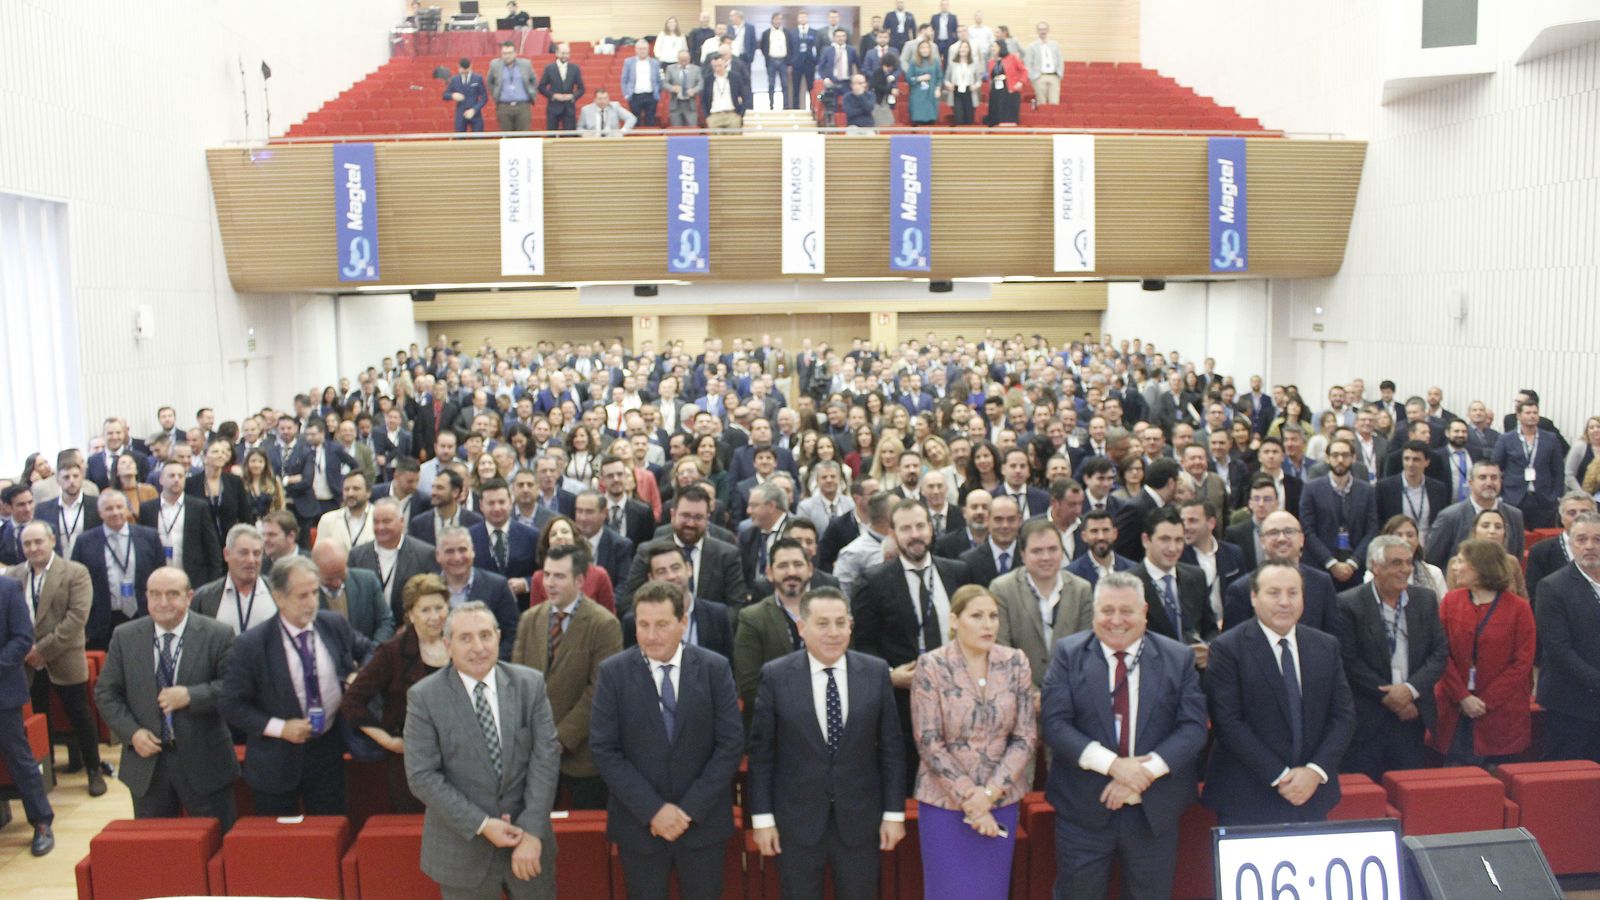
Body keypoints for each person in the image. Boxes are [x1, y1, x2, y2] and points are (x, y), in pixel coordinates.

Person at [1041, 571, 1208, 900]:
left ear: (1144, 611)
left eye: (1127, 611)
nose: (1116, 620)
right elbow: (1055, 725)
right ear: (1094, 613)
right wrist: (1115, 767)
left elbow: (1192, 728)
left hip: (1153, 813)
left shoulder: (1178, 657)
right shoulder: (1068, 654)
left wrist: (1142, 773)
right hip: (1083, 812)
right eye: (1107, 611)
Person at [748, 587, 906, 900]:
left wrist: (893, 814)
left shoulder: (875, 672)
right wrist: (762, 819)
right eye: (822, 624)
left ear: (850, 625)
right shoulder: (776, 676)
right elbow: (762, 755)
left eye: (840, 622)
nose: (833, 632)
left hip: (861, 820)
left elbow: (892, 750)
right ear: (802, 627)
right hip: (796, 823)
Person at [590, 579, 744, 899]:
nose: (651, 634)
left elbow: (730, 744)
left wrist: (687, 811)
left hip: (702, 823)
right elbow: (605, 749)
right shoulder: (612, 673)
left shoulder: (715, 669)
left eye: (661, 624)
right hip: (640, 825)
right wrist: (654, 810)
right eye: (643, 625)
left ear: (683, 623)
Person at [405, 601, 561, 899]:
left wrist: (531, 831)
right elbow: (422, 776)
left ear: (499, 638)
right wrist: (482, 824)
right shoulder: (424, 698)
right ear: (448, 645)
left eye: (485, 635)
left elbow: (546, 760)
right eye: (465, 638)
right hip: (462, 850)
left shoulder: (530, 685)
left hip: (528, 844)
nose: (478, 647)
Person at [219, 555, 374, 815]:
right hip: (276, 761)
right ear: (279, 598)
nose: (312, 602)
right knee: (284, 847)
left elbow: (373, 652)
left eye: (315, 592)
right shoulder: (253, 644)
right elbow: (231, 704)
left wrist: (360, 679)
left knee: (330, 833)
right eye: (303, 596)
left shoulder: (333, 625)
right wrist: (280, 728)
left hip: (327, 752)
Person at [1203, 563, 1356, 825]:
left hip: (1313, 793)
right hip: (1247, 796)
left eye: (1293, 593)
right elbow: (1228, 723)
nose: (1284, 602)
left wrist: (1314, 772)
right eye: (1274, 593)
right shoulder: (1227, 649)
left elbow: (1343, 717)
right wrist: (1282, 776)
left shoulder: (1325, 646)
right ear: (1254, 597)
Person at [912, 584, 1035, 898]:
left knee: (990, 891)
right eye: (977, 616)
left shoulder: (1016, 662)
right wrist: (971, 799)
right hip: (945, 804)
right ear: (954, 620)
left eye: (993, 616)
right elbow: (928, 741)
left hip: (1001, 802)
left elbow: (1025, 736)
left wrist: (990, 795)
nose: (988, 624)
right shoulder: (932, 666)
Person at [95, 565, 239, 829]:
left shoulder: (218, 634)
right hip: (148, 765)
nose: (163, 602)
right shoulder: (125, 636)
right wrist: (133, 733)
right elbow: (106, 693)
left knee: (218, 843)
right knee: (159, 853)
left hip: (205, 762)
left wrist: (192, 696)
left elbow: (234, 688)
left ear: (189, 597)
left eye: (172, 594)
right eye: (155, 594)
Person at [510, 543, 622, 809]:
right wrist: (533, 738)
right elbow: (515, 683)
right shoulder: (529, 619)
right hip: (534, 753)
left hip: (582, 759)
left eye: (559, 576)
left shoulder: (604, 624)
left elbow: (600, 691)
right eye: (546, 575)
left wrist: (559, 740)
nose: (549, 583)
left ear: (580, 580)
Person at [1335, 535, 1448, 780]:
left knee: (1410, 793)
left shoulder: (1425, 600)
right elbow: (1348, 660)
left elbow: (1439, 652)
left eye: (1408, 563)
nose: (1406, 570)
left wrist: (1409, 690)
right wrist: (1388, 696)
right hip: (1368, 718)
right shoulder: (1349, 604)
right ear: (1375, 567)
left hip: (1413, 715)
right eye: (1397, 563)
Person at [341, 572, 449, 813]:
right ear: (410, 614)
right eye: (425, 610)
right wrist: (387, 741)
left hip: (459, 758)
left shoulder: (459, 642)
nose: (434, 617)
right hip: (412, 762)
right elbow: (352, 701)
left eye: (439, 608)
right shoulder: (392, 651)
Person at [8, 522, 103, 792]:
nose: (33, 548)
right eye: (27, 544)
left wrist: (43, 650)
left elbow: (76, 618)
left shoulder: (74, 572)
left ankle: (94, 769)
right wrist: (26, 650)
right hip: (26, 660)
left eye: (38, 541)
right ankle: (46, 774)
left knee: (79, 714)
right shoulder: (14, 575)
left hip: (63, 655)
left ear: (52, 540)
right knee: (39, 716)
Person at [1433, 539, 1536, 766]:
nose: (1455, 567)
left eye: (1462, 562)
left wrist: (1485, 702)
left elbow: (1523, 661)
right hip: (1454, 709)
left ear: (1481, 567)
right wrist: (1462, 696)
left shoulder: (1519, 608)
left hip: (1501, 714)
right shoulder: (1450, 601)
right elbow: (1439, 652)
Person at [993, 518, 1094, 688]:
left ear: (1062, 552)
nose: (1046, 557)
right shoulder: (1002, 589)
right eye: (1037, 551)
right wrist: (1031, 693)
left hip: (1071, 692)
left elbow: (1086, 648)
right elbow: (1001, 649)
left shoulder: (1081, 589)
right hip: (1018, 691)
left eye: (1052, 549)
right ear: (1023, 555)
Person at [1534, 511, 1600, 762]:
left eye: (1597, 539)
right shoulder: (1552, 587)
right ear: (1571, 544)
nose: (1590, 546)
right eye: (1582, 539)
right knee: (1570, 784)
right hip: (1571, 703)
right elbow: (1559, 650)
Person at [0, 572, 55, 855]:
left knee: (19, 758)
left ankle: (42, 821)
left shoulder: (8, 588)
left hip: (3, 693)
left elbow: (22, 639)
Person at [733, 538, 811, 728]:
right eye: (783, 565)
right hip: (771, 726)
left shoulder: (830, 613)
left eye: (798, 564)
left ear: (810, 570)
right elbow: (749, 685)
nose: (791, 572)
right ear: (769, 573)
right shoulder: (752, 618)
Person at [73, 489, 165, 650]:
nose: (115, 512)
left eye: (119, 507)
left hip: (143, 615)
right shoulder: (84, 542)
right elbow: (76, 584)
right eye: (109, 509)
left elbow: (161, 575)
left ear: (127, 509)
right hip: (103, 622)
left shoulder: (149, 537)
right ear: (100, 512)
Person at [622, 542, 734, 660]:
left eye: (675, 568)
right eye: (661, 571)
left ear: (689, 569)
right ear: (651, 578)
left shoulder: (717, 615)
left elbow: (728, 665)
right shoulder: (634, 622)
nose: (671, 576)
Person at [1299, 438, 1378, 590]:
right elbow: (1307, 530)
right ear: (1327, 458)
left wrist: (1353, 563)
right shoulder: (1311, 489)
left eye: (1345, 455)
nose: (1340, 460)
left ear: (1353, 458)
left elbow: (1372, 530)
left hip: (1355, 568)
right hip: (1320, 567)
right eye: (1335, 455)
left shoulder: (1366, 490)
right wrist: (1331, 563)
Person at [349, 497, 440, 623]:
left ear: (402, 521)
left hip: (410, 630)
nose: (380, 527)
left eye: (386, 521)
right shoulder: (356, 555)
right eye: (376, 522)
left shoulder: (425, 554)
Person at [143, 459, 225, 593]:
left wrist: (213, 581)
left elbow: (212, 546)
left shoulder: (199, 507)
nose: (176, 480)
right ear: (161, 479)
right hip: (158, 578)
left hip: (193, 580)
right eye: (171, 476)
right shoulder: (147, 508)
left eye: (180, 476)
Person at [1425, 460, 1526, 567]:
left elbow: (1517, 555)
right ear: (1470, 483)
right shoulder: (1450, 516)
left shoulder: (1515, 515)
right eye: (1483, 478)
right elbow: (1432, 559)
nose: (1489, 483)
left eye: (1494, 478)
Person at [311, 539, 394, 642]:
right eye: (329, 579)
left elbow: (386, 621)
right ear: (315, 571)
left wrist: (373, 653)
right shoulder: (306, 594)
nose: (337, 582)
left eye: (341, 575)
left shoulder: (367, 581)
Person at [189, 437, 252, 544]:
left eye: (223, 452)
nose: (220, 455)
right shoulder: (191, 483)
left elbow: (245, 515)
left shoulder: (235, 482)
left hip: (231, 542)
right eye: (215, 452)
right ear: (204, 457)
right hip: (201, 542)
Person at [537, 43, 585, 132]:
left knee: (569, 137)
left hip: (569, 108)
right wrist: (553, 96)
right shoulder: (549, 68)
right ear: (557, 53)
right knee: (552, 135)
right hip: (553, 107)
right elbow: (541, 87)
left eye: (567, 53)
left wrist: (572, 96)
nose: (565, 56)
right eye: (563, 53)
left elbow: (581, 88)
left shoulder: (575, 68)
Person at [815, 27, 859, 123]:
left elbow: (859, 65)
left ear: (846, 37)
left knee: (849, 106)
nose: (841, 38)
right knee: (831, 107)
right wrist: (825, 78)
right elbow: (820, 67)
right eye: (838, 36)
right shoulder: (827, 50)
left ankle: (848, 124)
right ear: (834, 38)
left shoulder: (851, 50)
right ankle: (833, 127)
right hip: (832, 82)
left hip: (847, 82)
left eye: (843, 36)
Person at [701, 55, 749, 132]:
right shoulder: (708, 80)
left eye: (719, 65)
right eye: (714, 66)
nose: (717, 68)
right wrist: (707, 116)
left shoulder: (735, 77)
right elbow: (703, 100)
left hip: (732, 114)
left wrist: (740, 114)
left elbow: (744, 96)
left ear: (725, 64)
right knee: (715, 142)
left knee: (734, 139)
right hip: (714, 115)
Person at [620, 40, 662, 127]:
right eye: (640, 49)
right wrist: (626, 95)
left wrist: (657, 94)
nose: (642, 51)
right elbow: (624, 79)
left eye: (644, 49)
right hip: (634, 96)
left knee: (650, 121)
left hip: (651, 95)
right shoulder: (628, 62)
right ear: (635, 50)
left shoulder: (655, 63)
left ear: (648, 49)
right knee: (636, 121)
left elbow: (659, 80)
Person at [984, 41, 1026, 125]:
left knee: (1008, 114)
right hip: (995, 91)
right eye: (991, 47)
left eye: (994, 47)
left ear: (1001, 47)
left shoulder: (1012, 58)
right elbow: (990, 77)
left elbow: (1024, 71)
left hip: (1009, 90)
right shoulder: (991, 62)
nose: (992, 49)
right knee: (996, 113)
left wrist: (1021, 82)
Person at [444, 57, 488, 132]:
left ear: (470, 66)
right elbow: (445, 95)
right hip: (460, 113)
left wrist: (474, 110)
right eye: (463, 70)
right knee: (459, 139)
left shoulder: (478, 78)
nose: (464, 72)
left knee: (478, 140)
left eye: (466, 71)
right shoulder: (454, 79)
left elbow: (484, 97)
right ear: (459, 67)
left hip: (475, 113)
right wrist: (453, 95)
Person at [1023, 21, 1063, 105]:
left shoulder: (1055, 45)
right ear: (1037, 31)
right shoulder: (1032, 46)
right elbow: (1028, 64)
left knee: (1054, 103)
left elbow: (1060, 60)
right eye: (1040, 29)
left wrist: (1059, 74)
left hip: (1054, 76)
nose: (1043, 31)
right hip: (1039, 77)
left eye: (1044, 29)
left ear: (1048, 30)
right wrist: (1033, 77)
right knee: (1041, 103)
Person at [905, 38, 942, 126]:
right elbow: (909, 78)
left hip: (931, 94)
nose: (925, 50)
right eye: (922, 48)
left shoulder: (935, 61)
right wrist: (919, 78)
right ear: (918, 50)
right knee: (918, 121)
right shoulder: (913, 62)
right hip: (917, 95)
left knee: (931, 120)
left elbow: (940, 77)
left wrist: (938, 88)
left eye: (927, 48)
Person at [759, 13, 792, 109]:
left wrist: (789, 63)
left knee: (785, 84)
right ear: (772, 20)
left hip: (783, 62)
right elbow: (762, 47)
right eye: (776, 19)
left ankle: (785, 105)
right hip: (771, 61)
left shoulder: (786, 32)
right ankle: (771, 105)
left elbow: (790, 47)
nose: (778, 21)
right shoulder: (766, 33)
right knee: (771, 84)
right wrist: (768, 58)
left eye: (780, 19)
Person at [662, 50, 703, 127]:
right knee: (677, 130)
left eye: (686, 60)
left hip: (690, 105)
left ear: (689, 59)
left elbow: (700, 84)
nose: (684, 62)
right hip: (676, 104)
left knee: (692, 129)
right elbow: (664, 83)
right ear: (678, 59)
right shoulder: (670, 68)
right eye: (681, 60)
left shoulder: (696, 69)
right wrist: (672, 88)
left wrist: (694, 90)